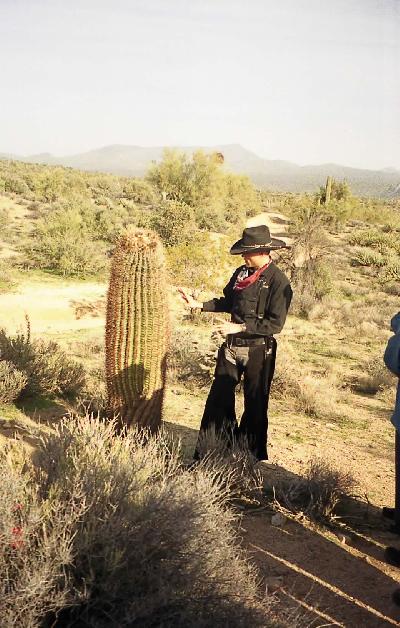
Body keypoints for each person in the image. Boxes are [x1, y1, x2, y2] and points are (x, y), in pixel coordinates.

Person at [179, 224, 292, 461]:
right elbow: (228, 301)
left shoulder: (279, 282)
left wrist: (239, 327)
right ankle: (212, 453)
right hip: (231, 347)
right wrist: (199, 305)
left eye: (247, 252)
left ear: (263, 252)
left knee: (255, 404)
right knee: (218, 399)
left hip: (259, 352)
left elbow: (275, 324)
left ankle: (246, 459)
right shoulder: (241, 273)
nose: (243, 256)